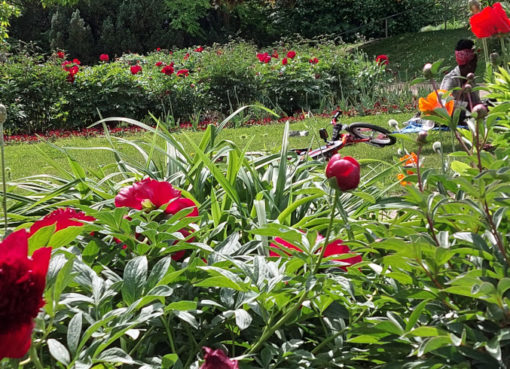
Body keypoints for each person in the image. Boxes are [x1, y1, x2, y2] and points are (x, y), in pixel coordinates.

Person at [440, 39, 481, 120]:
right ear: (469, 64)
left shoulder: (471, 79)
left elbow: (476, 101)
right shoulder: (451, 79)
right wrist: (467, 106)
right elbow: (444, 103)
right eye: (474, 63)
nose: (475, 66)